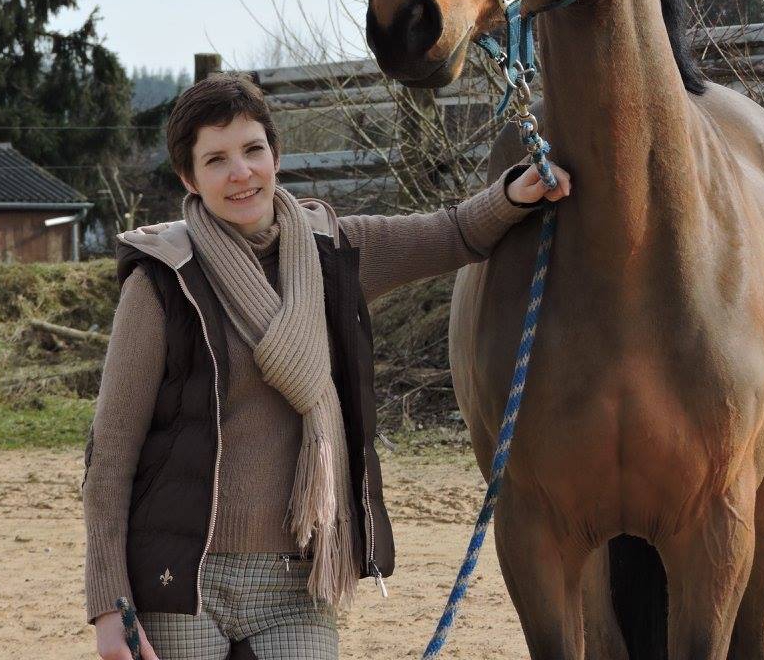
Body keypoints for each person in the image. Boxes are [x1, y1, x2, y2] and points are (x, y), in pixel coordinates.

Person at [83, 72, 571, 660]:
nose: (241, 173)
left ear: (275, 155)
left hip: (298, 582)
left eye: (252, 150)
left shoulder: (332, 252)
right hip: (182, 581)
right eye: (216, 160)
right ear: (189, 178)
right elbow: (110, 457)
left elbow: (452, 234)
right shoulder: (162, 279)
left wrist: (512, 195)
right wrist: (109, 604)